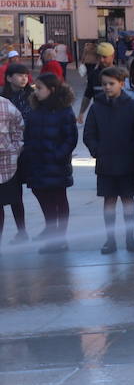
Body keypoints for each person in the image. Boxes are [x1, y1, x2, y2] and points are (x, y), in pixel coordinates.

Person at [84, 66, 134, 254]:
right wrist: (98, 151)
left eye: (111, 84)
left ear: (121, 83)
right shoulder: (97, 107)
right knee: (109, 200)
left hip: (127, 162)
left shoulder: (133, 106)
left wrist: (132, 152)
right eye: (104, 84)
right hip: (106, 162)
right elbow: (89, 134)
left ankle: (130, 238)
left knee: (128, 199)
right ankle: (110, 240)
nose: (107, 87)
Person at [22, 73, 77, 253]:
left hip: (55, 163)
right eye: (35, 88)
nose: (36, 91)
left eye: (40, 88)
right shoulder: (35, 110)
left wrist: (57, 155)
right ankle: (52, 231)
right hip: (37, 163)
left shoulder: (64, 110)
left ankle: (59, 237)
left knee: (58, 199)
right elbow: (28, 134)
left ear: (51, 90)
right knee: (42, 195)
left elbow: (70, 139)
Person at [0, 94, 24, 241]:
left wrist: (14, 148)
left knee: (14, 200)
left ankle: (22, 231)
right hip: (8, 160)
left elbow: (19, 127)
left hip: (6, 162)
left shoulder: (5, 104)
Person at [77, 42, 115, 125]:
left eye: (104, 57)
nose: (101, 60)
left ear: (112, 56)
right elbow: (88, 94)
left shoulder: (120, 75)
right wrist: (81, 112)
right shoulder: (93, 74)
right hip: (99, 117)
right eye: (99, 56)